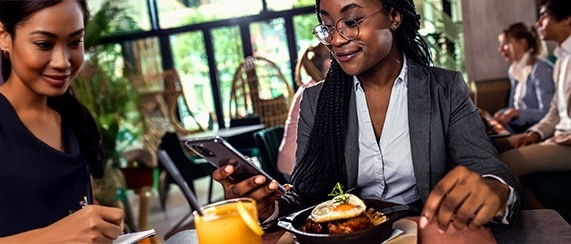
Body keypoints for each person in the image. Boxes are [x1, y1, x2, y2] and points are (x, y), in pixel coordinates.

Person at [213, 0, 520, 233]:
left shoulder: (445, 89)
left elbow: (491, 171)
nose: (336, 39)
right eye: (328, 26)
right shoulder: (316, 100)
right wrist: (268, 207)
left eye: (351, 20)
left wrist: (493, 189)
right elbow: (306, 199)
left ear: (394, 16)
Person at [0, 0, 124, 242]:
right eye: (44, 44)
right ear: (3, 36)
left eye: (75, 42)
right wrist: (54, 237)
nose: (62, 62)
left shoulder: (71, 119)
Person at [495, 0, 571, 178]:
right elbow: (554, 111)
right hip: (558, 135)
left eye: (544, 16)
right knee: (491, 148)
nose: (538, 24)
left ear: (567, 19)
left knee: (507, 161)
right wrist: (536, 134)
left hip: (567, 141)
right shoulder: (561, 60)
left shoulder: (543, 67)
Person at [276, 43, 330, 179]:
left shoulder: (312, 86)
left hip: (297, 162)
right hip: (296, 167)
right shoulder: (313, 91)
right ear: (328, 63)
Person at [494, 22, 555, 133]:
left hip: (537, 130)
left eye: (507, 43)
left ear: (522, 43)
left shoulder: (540, 69)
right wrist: (503, 113)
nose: (501, 50)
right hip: (519, 127)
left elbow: (548, 113)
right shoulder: (514, 70)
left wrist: (516, 113)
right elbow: (513, 107)